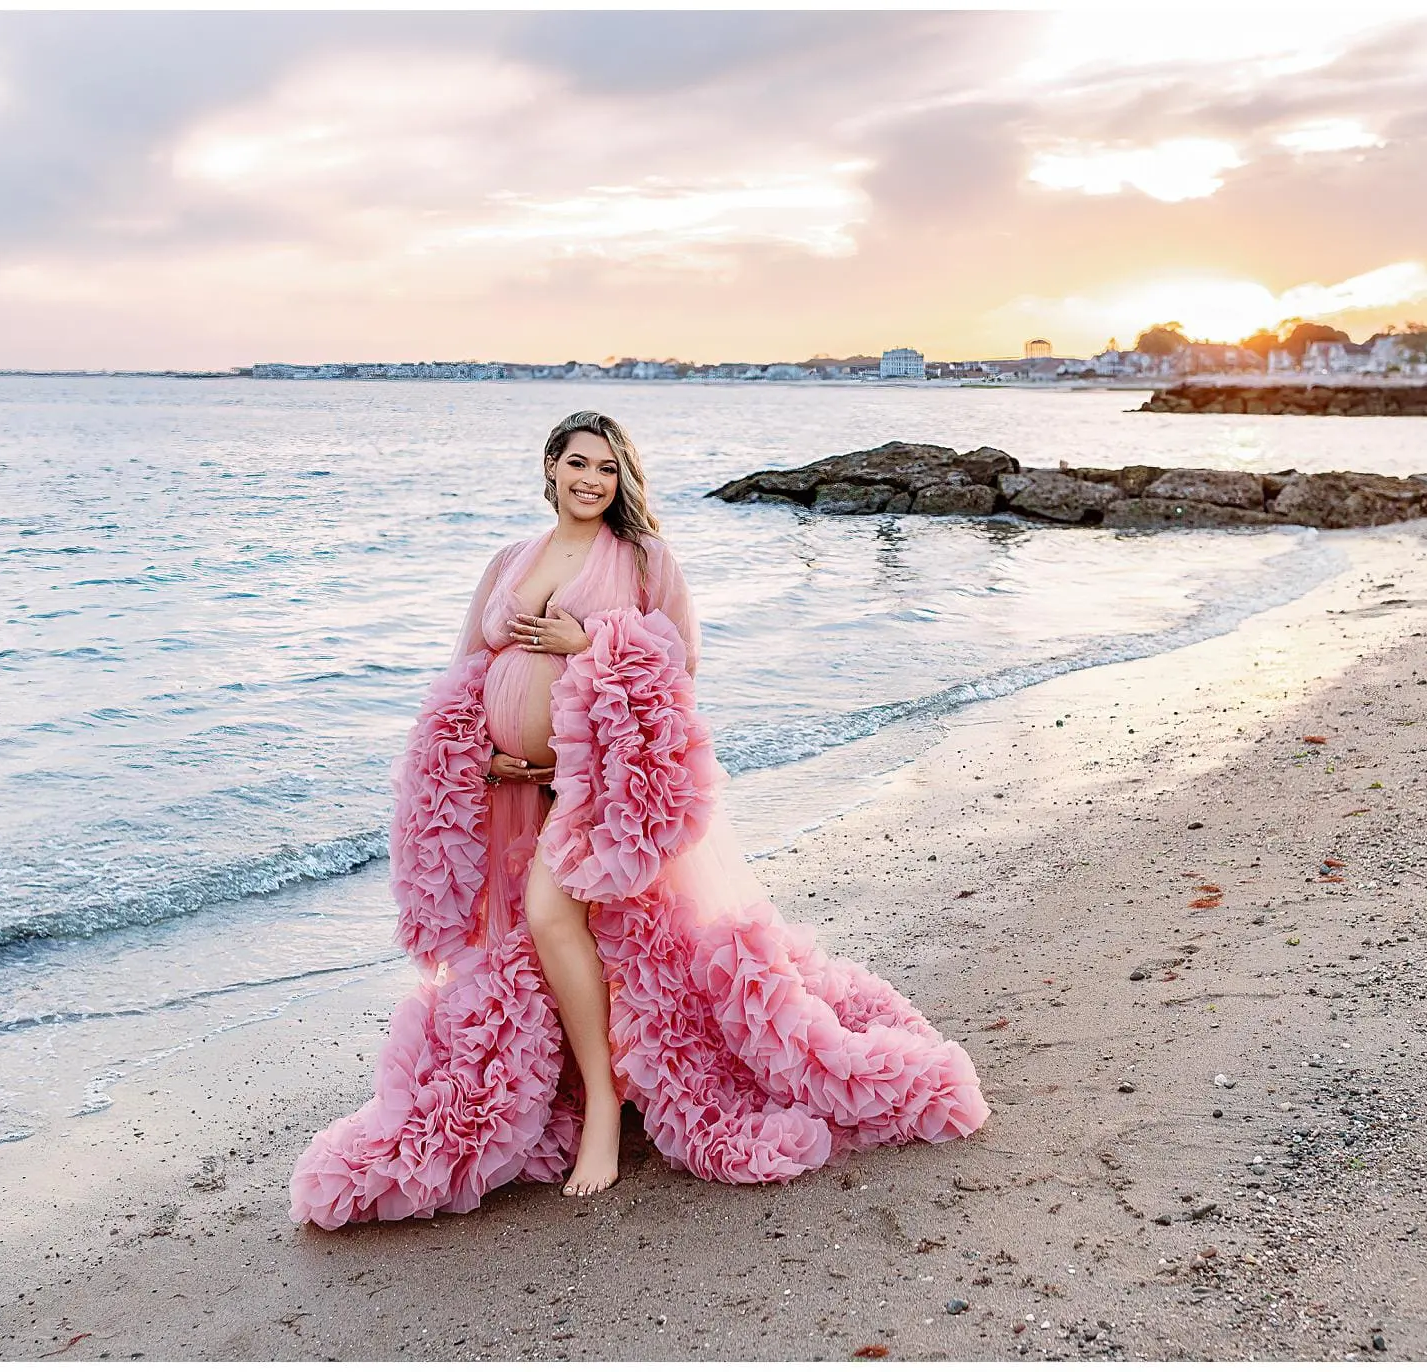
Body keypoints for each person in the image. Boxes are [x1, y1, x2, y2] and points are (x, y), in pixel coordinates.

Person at [291, 411, 986, 1226]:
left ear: (622, 480)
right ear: (549, 467)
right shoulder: (508, 559)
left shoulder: (646, 558)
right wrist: (478, 756)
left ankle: (601, 1126)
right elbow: (465, 669)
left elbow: (681, 664)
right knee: (526, 935)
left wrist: (586, 641)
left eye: (608, 469)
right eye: (578, 463)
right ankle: (586, 1088)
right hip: (512, 786)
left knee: (553, 916)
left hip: (599, 793)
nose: (591, 480)